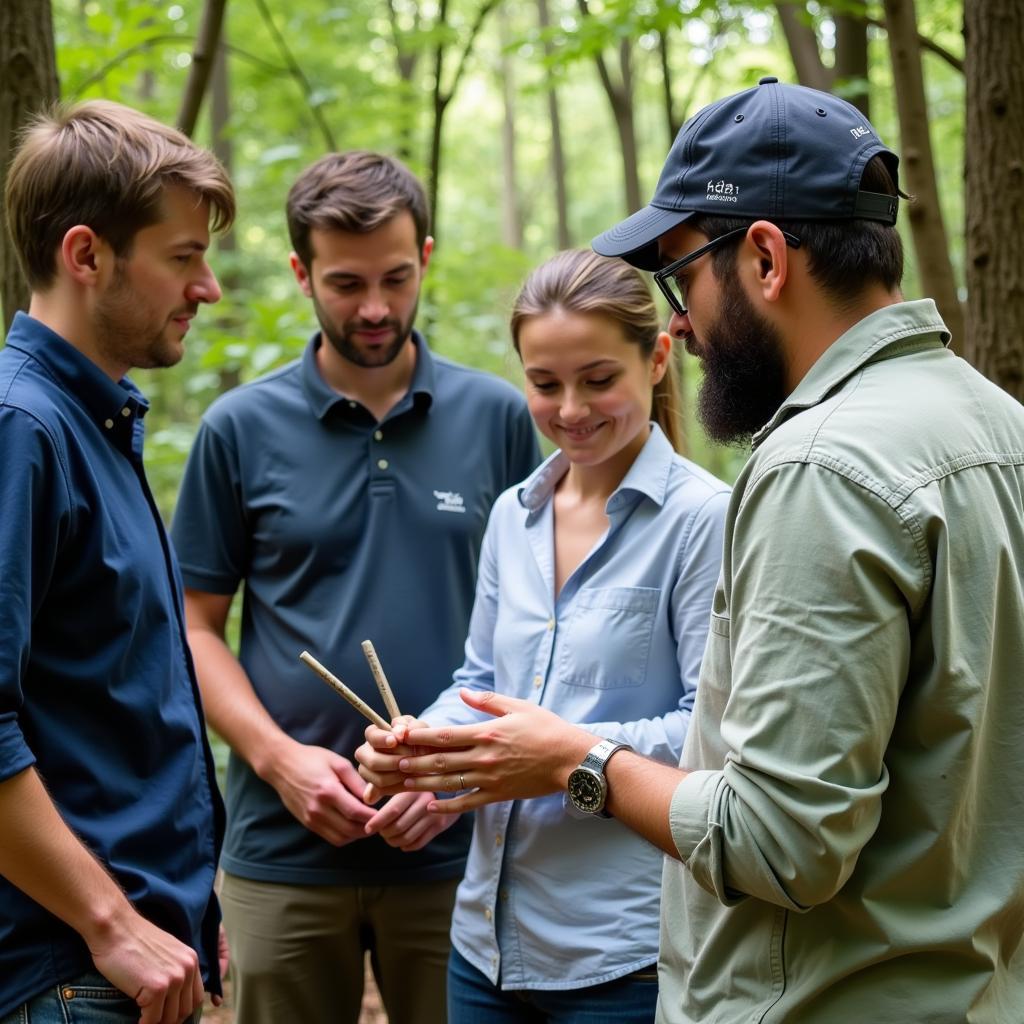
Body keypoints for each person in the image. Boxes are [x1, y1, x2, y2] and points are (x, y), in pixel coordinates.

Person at [359, 78, 1024, 1023]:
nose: (677, 319)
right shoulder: (1000, 425)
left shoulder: (821, 468)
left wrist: (571, 760)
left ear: (763, 259)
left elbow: (783, 843)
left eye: (681, 279)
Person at [169, 149, 540, 1024]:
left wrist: (461, 783)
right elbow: (194, 626)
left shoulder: (503, 419)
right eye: (344, 283)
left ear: (427, 259)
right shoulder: (238, 429)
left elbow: (548, 623)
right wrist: (278, 761)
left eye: (396, 278)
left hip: (462, 844)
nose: (374, 308)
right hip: (281, 843)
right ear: (301, 271)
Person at [358, 248, 730, 1022]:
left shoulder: (703, 521)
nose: (571, 409)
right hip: (482, 950)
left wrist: (558, 759)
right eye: (544, 383)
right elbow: (482, 682)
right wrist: (425, 753)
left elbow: (711, 733)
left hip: (622, 956)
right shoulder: (511, 515)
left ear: (657, 359)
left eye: (598, 380)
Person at [0, 101, 234, 1024]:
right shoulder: (25, 430)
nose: (207, 288)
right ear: (86, 255)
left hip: (124, 965)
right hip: (64, 975)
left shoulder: (95, 423)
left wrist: (177, 906)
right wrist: (111, 924)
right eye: (183, 257)